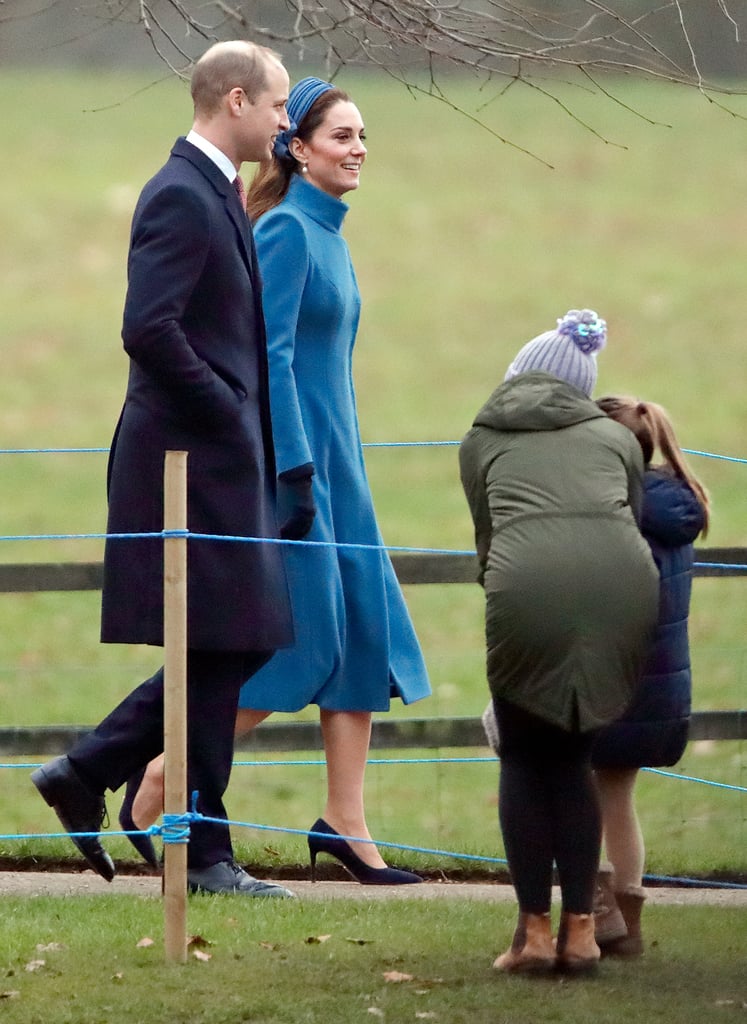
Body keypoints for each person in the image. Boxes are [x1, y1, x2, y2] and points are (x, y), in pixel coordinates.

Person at [126, 76, 431, 885]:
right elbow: (272, 362)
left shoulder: (329, 231)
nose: (358, 149)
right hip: (303, 469)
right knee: (298, 647)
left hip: (343, 464)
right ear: (296, 147)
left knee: (363, 633)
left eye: (363, 136)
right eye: (341, 136)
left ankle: (344, 822)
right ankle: (162, 773)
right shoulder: (288, 231)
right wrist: (294, 470)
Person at [31, 40, 299, 898]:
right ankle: (202, 850)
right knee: (229, 638)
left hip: (216, 462)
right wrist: (224, 409)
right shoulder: (181, 195)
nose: (285, 121)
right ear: (233, 101)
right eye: (278, 105)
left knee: (238, 637)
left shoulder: (215, 191)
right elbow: (149, 327)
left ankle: (90, 770)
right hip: (185, 461)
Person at [459, 309, 659, 973]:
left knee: (523, 757)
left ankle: (533, 936)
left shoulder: (482, 438)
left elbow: (488, 541)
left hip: (525, 590)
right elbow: (627, 521)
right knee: (573, 757)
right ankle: (581, 933)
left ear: (518, 375)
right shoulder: (615, 441)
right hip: (621, 591)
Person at [591, 396, 709, 956]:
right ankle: (629, 922)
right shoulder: (675, 509)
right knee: (619, 797)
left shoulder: (614, 515)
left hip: (607, 682)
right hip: (659, 691)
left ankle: (595, 913)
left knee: (580, 794)